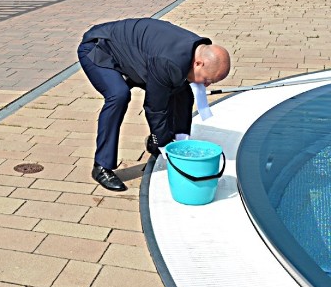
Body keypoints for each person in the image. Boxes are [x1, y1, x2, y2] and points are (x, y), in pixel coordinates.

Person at [77, 18, 230, 191]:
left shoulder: (194, 50)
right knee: (118, 96)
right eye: (208, 80)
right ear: (199, 63)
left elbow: (176, 97)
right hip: (98, 48)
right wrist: (165, 147)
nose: (206, 85)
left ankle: (167, 140)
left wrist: (179, 143)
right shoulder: (168, 62)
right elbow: (155, 108)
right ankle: (101, 167)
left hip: (133, 56)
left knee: (182, 94)